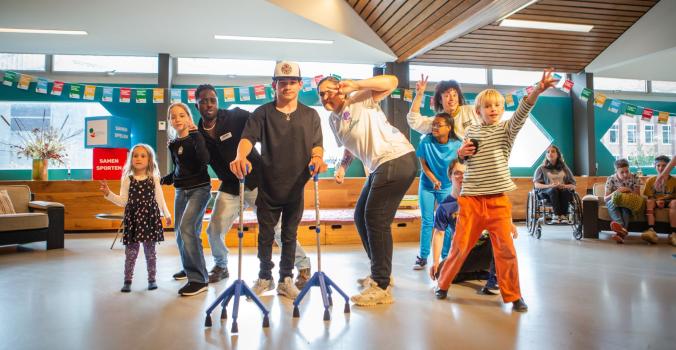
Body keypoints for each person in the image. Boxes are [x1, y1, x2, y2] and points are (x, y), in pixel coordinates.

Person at [435, 68, 560, 313]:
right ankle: (443, 283)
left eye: (498, 106)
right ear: (478, 110)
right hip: (470, 199)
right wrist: (461, 154)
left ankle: (514, 295)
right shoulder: (471, 131)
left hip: (497, 201)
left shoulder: (506, 130)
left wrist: (537, 90)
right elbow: (465, 158)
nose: (494, 109)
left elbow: (523, 112)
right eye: (488, 106)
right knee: (460, 246)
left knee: (506, 250)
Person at [194, 84, 312, 288]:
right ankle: (221, 266)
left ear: (217, 101)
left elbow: (262, 124)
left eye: (212, 99)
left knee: (276, 228)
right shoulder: (198, 133)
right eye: (203, 101)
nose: (208, 104)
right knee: (214, 229)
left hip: (257, 180)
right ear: (197, 105)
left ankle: (303, 267)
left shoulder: (234, 117)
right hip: (231, 185)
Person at [318, 74, 417, 306]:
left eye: (329, 90)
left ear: (341, 88)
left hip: (396, 157)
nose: (324, 96)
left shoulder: (360, 98)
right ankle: (379, 272)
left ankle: (381, 286)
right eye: (320, 93)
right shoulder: (333, 121)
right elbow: (349, 148)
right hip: (378, 166)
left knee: (375, 218)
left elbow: (393, 81)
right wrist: (342, 167)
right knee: (361, 217)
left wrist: (357, 84)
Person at [230, 61, 326, 300]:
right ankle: (265, 277)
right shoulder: (262, 113)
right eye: (282, 82)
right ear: (274, 85)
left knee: (289, 236)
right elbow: (247, 139)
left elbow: (317, 146)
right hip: (269, 185)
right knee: (265, 235)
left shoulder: (311, 115)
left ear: (300, 85)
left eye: (292, 82)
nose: (287, 86)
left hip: (296, 186)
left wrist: (317, 159)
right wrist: (240, 156)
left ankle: (285, 279)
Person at [99, 144, 171, 293]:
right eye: (135, 155)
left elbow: (160, 198)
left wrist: (167, 213)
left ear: (149, 160)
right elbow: (123, 201)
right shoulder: (127, 179)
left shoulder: (154, 178)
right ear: (131, 159)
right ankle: (127, 280)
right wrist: (108, 193)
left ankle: (152, 279)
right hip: (133, 220)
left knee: (150, 252)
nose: (138, 158)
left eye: (143, 156)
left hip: (150, 219)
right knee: (131, 252)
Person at [428, 159, 502, 295]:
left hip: (487, 250)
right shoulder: (444, 207)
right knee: (439, 273)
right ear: (450, 176)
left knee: (497, 236)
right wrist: (435, 261)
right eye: (457, 173)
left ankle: (493, 279)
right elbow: (439, 233)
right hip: (463, 252)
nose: (462, 177)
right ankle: (479, 274)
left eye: (465, 173)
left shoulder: (481, 198)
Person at [161, 102, 212, 296]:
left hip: (199, 189)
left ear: (188, 117)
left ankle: (199, 279)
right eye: (173, 117)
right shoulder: (173, 144)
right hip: (181, 190)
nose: (177, 119)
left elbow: (204, 159)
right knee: (179, 232)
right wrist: (164, 179)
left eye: (181, 115)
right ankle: (189, 267)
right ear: (170, 121)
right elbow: (178, 170)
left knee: (187, 228)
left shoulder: (196, 137)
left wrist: (196, 134)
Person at [413, 112, 462, 270]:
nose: (434, 127)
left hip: (447, 186)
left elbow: (459, 165)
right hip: (427, 185)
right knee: (427, 221)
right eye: (433, 124)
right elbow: (424, 164)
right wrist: (433, 180)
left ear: (448, 128)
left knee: (446, 223)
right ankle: (423, 257)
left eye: (438, 125)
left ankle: (445, 256)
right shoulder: (425, 141)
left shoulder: (457, 144)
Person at [406, 74, 480, 137]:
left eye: (454, 95)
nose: (452, 99)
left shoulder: (472, 110)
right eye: (447, 96)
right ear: (440, 100)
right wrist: (419, 94)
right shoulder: (438, 121)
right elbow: (414, 121)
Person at [533, 145, 576, 224]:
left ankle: (563, 216)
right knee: (553, 190)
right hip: (546, 192)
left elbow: (573, 185)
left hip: (562, 191)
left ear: (558, 154)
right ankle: (556, 215)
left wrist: (564, 186)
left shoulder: (565, 168)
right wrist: (550, 186)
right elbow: (536, 185)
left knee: (565, 191)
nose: (550, 153)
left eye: (553, 151)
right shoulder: (541, 168)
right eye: (548, 152)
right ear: (546, 155)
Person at [604, 158, 642, 244]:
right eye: (622, 172)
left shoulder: (635, 177)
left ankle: (620, 232)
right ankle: (621, 228)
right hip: (614, 202)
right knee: (611, 202)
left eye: (627, 171)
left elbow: (637, 197)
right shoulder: (611, 179)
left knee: (625, 209)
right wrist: (617, 191)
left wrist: (628, 190)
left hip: (628, 203)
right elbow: (605, 199)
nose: (625, 174)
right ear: (616, 171)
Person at [641, 155, 676, 246]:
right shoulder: (650, 180)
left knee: (675, 203)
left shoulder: (674, 181)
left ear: (669, 166)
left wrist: (665, 202)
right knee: (649, 202)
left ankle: (673, 233)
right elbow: (649, 197)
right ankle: (651, 230)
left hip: (670, 201)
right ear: (654, 166)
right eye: (658, 165)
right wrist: (656, 201)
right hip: (655, 201)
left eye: (664, 165)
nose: (661, 168)